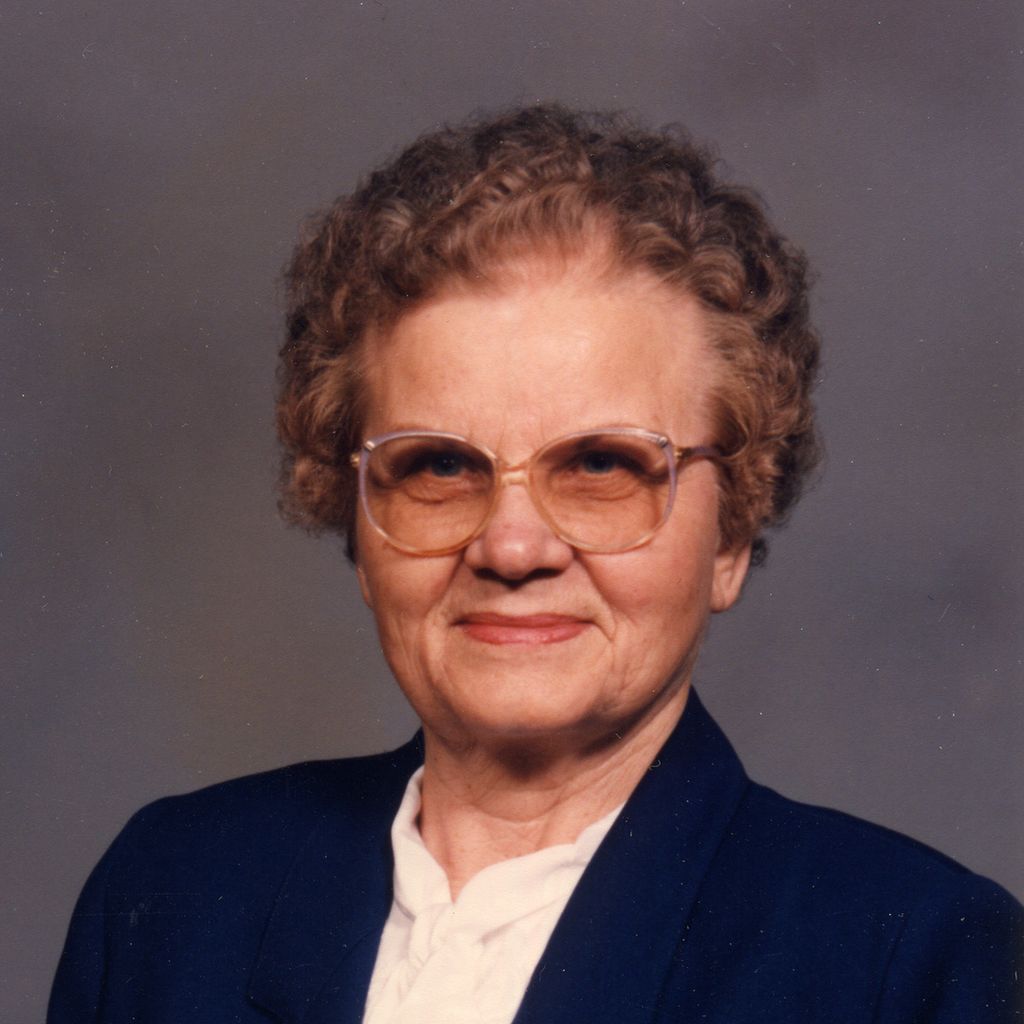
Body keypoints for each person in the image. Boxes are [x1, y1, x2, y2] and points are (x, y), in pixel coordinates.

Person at [48, 104, 1022, 1024]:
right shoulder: (170, 900)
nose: (512, 547)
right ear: (357, 525)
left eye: (601, 466)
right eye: (438, 466)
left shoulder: (910, 962)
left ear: (730, 536)